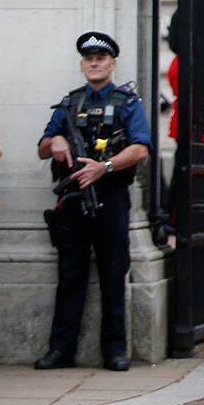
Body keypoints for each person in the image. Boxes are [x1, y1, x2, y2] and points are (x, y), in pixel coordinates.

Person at [35, 31, 150, 371]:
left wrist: (105, 167)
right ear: (82, 65)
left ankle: (115, 350)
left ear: (112, 64)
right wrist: (55, 140)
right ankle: (61, 349)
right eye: (89, 59)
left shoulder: (128, 103)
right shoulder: (69, 104)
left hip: (110, 194)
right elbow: (42, 146)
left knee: (114, 274)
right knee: (70, 274)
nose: (94, 63)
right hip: (72, 197)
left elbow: (141, 148)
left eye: (100, 58)